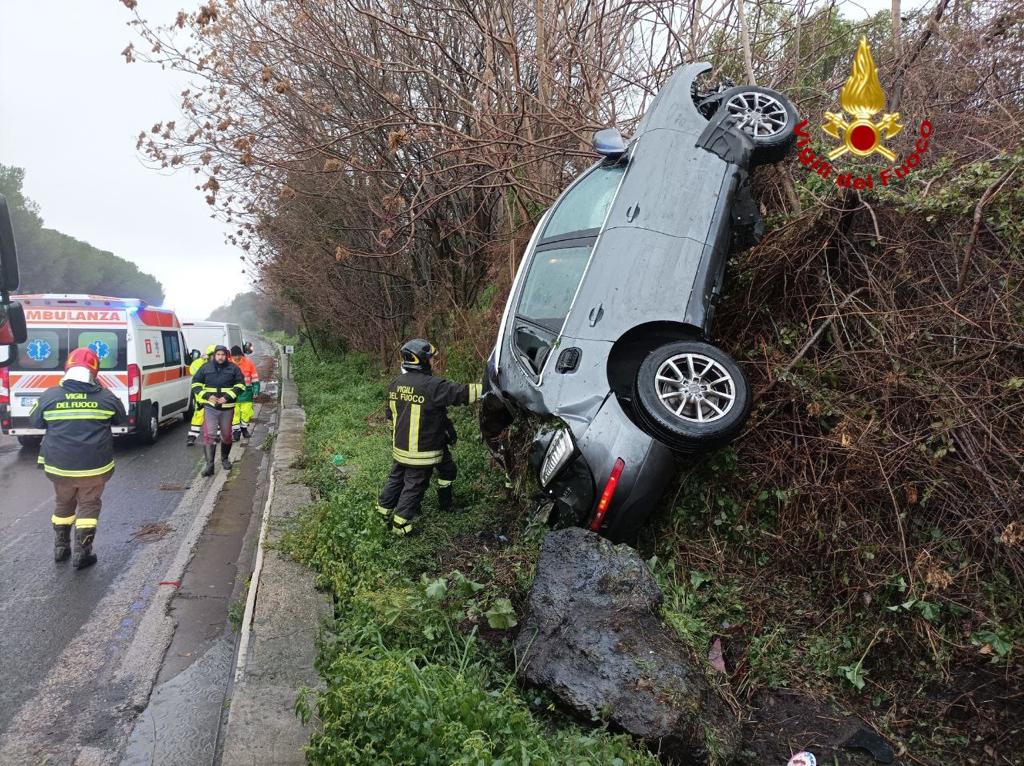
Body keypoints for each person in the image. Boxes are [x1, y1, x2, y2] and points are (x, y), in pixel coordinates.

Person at [28, 348, 127, 569]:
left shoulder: (49, 395)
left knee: (63, 502)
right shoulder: (106, 397)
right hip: (94, 467)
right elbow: (121, 418)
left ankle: (61, 547)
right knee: (89, 505)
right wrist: (101, 390)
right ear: (95, 372)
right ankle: (83, 552)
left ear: (67, 368)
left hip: (59, 467)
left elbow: (35, 422)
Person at [375, 338, 482, 536]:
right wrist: (490, 387)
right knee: (415, 485)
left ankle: (382, 513)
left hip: (402, 447)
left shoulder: (395, 384)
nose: (434, 361)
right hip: (423, 451)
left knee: (398, 478)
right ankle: (401, 525)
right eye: (431, 358)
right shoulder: (433, 385)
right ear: (422, 360)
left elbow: (390, 416)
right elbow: (461, 393)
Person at [191, 345, 245, 476]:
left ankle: (225, 459)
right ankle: (209, 466)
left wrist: (227, 397)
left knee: (226, 436)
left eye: (223, 355)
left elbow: (241, 385)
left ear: (226, 356)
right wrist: (207, 396)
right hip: (210, 407)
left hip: (227, 408)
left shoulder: (233, 368)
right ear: (214, 355)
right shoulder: (206, 368)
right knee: (210, 435)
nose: (220, 357)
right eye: (218, 354)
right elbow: (195, 384)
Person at [185, 344, 216, 446]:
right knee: (198, 416)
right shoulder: (200, 363)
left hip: (214, 396)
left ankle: (216, 435)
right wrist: (201, 361)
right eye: (213, 355)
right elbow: (193, 370)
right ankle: (192, 436)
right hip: (202, 397)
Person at [230, 344, 260, 441]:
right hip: (233, 393)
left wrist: (256, 390)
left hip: (247, 392)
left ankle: (244, 428)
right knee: (235, 413)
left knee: (246, 412)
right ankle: (236, 432)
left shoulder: (248, 363)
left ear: (241, 354)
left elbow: (255, 378)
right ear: (231, 356)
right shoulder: (228, 364)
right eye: (235, 355)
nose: (237, 357)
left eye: (238, 355)